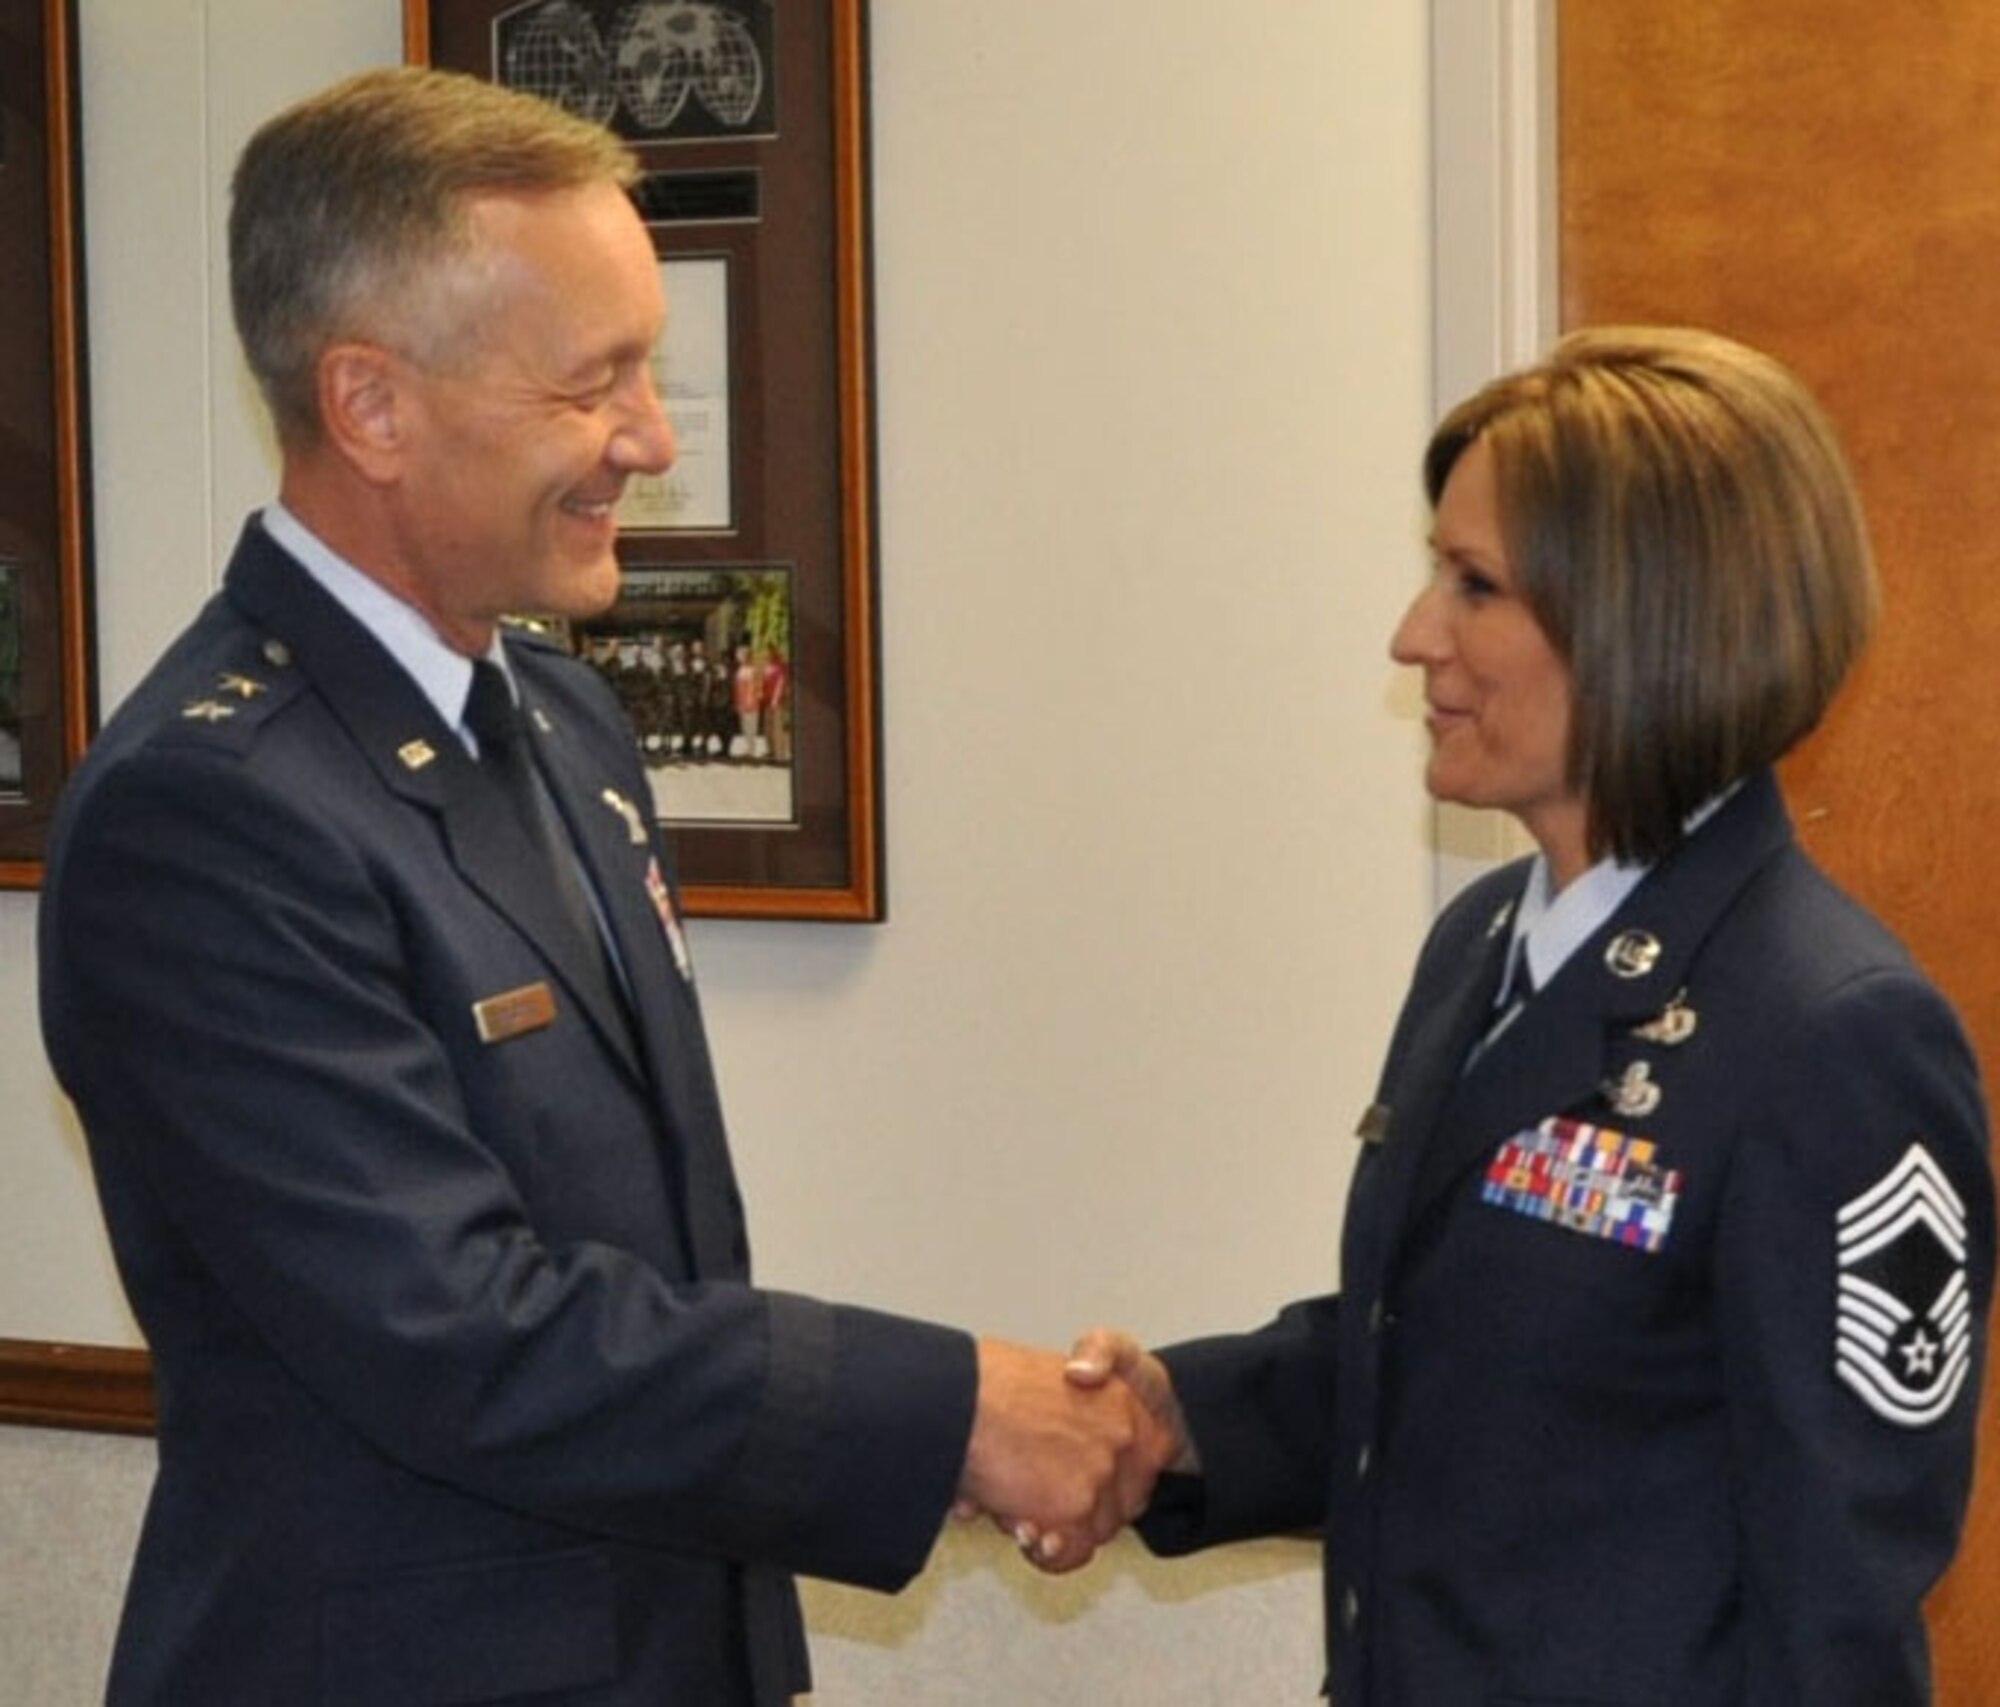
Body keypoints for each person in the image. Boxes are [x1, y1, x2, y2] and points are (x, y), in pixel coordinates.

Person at [36, 67, 1167, 1706]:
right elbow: (463, 1334)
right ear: (370, 406)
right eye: (595, 382)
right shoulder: (207, 814)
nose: (647, 436)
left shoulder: (561, 719)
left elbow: (653, 1270)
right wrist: (958, 1415)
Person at [1062, 327, 1995, 1704]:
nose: (1413, 635)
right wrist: (1170, 1420)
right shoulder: (1485, 945)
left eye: (1476, 585)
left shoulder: (1833, 1036)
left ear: (1647, 621)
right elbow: (1443, 1354)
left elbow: (1836, 1613)